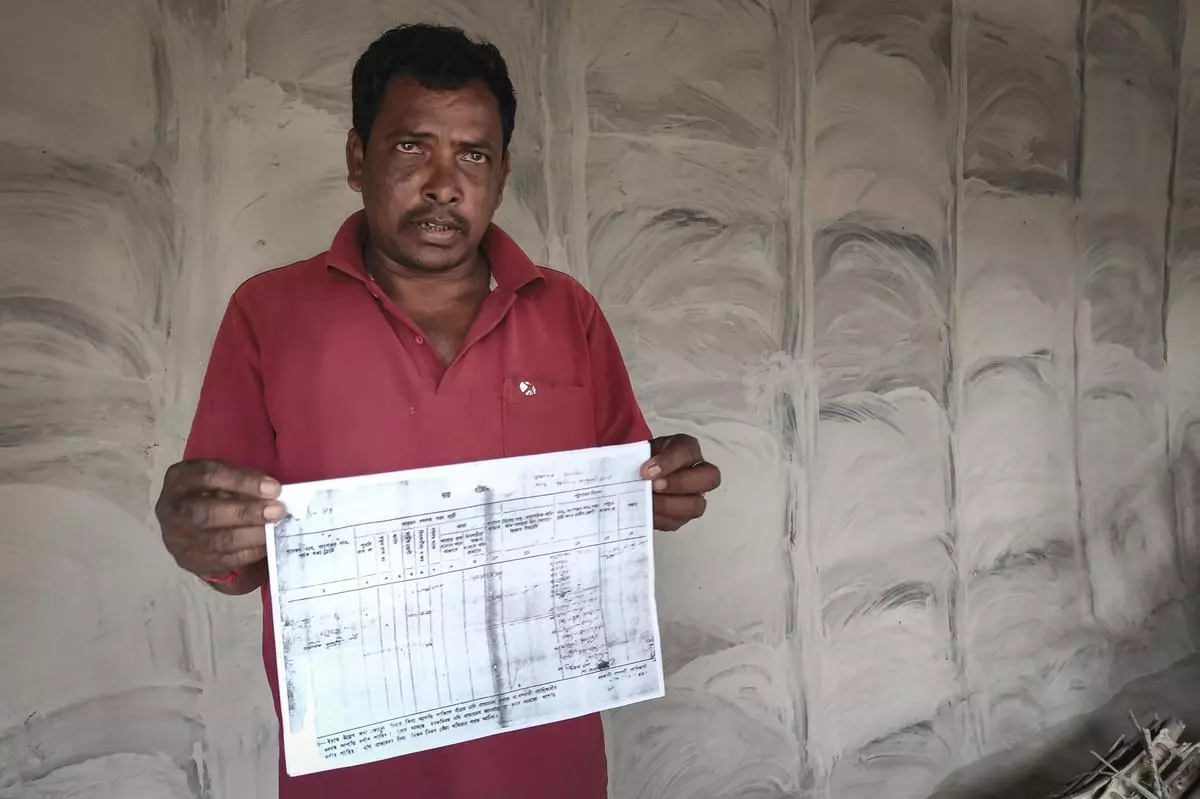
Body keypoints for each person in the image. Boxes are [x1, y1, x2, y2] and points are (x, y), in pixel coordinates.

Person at [153, 22, 720, 799]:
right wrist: (200, 535)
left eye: (474, 154)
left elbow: (622, 491)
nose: (444, 183)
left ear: (503, 169)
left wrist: (659, 488)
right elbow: (232, 546)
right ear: (358, 160)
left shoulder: (567, 313)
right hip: (357, 774)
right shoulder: (269, 313)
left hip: (546, 768)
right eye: (412, 147)